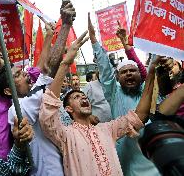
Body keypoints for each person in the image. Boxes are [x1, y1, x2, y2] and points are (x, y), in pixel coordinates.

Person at [38, 33, 157, 176]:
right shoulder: (65, 134)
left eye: (84, 96)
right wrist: (65, 64)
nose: (83, 98)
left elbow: (140, 116)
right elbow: (48, 111)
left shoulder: (107, 129)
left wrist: (151, 73)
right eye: (77, 97)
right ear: (68, 108)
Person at [0, 0, 81, 175]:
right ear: (8, 91)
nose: (27, 74)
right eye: (18, 75)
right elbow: (50, 69)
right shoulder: (17, 111)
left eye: (22, 71)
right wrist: (65, 25)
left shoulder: (34, 92)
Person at [88, 12, 168, 175]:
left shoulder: (149, 91)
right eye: (124, 72)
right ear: (117, 77)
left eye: (133, 70)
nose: (129, 74)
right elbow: (105, 69)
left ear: (141, 74)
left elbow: (152, 65)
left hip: (154, 159)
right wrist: (94, 40)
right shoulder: (114, 93)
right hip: (126, 159)